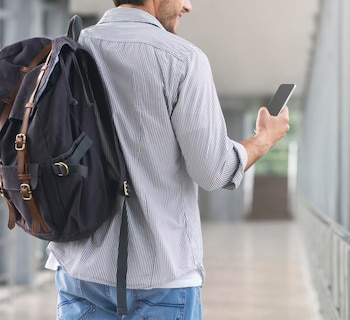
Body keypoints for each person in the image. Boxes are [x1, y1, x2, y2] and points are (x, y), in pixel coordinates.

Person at [44, 0, 291, 319]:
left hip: (77, 268)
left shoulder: (63, 52)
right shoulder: (182, 59)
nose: (188, 6)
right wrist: (264, 139)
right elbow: (213, 171)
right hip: (162, 275)